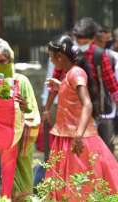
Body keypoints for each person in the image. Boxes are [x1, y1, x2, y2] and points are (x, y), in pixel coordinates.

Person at [45, 35, 118, 200]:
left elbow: (87, 104)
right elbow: (72, 92)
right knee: (70, 183)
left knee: (81, 183)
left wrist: (78, 134)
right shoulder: (69, 74)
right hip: (66, 135)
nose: (51, 61)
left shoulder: (76, 73)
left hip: (76, 137)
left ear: (59, 57)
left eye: (51, 57)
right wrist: (60, 85)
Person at [48, 17, 118, 152]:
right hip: (71, 110)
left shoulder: (99, 54)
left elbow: (111, 84)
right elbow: (56, 78)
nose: (81, 44)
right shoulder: (66, 54)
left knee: (99, 150)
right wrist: (47, 107)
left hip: (96, 109)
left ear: (92, 39)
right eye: (78, 40)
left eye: (84, 42)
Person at [0, 42, 40, 198]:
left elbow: (33, 114)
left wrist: (23, 107)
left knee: (20, 193)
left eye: (2, 61)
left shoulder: (21, 82)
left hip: (19, 145)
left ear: (10, 61)